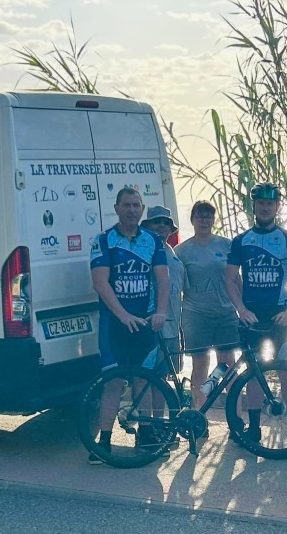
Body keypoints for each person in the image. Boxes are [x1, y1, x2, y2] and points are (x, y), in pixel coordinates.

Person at [88, 188, 170, 464]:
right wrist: (122, 315)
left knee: (143, 380)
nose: (132, 210)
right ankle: (104, 441)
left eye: (136, 205)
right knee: (113, 383)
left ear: (142, 209)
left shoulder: (152, 240)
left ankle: (145, 435)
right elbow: (100, 282)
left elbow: (163, 279)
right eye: (127, 205)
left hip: (144, 322)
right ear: (117, 208)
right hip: (115, 324)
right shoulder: (104, 241)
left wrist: (160, 311)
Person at [225, 183, 287, 444]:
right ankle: (254, 428)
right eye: (260, 203)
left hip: (279, 316)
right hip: (251, 316)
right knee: (254, 373)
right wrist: (241, 309)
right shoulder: (241, 240)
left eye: (269, 204)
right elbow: (229, 279)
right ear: (254, 206)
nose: (265, 208)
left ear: (277, 207)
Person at [175, 200, 241, 411]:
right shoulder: (181, 251)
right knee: (200, 363)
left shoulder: (226, 245)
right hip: (196, 314)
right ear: (192, 220)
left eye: (208, 216)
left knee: (227, 363)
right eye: (199, 216)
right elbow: (176, 285)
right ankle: (199, 414)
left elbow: (236, 279)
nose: (204, 220)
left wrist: (244, 307)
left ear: (214, 220)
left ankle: (236, 417)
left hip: (226, 312)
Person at [140, 205, 184, 375]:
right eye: (157, 222)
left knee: (165, 376)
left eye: (166, 223)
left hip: (173, 325)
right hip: (155, 325)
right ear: (148, 226)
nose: (162, 226)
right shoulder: (144, 251)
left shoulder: (172, 252)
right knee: (149, 376)